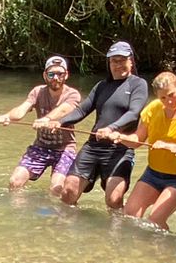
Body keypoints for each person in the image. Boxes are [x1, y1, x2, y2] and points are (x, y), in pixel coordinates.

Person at [48, 41, 148, 210]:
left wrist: (111, 128)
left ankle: (116, 232)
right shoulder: (101, 86)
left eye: (122, 60)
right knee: (68, 192)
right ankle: (67, 230)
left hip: (120, 148)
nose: (118, 65)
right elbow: (81, 110)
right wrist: (60, 121)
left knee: (114, 199)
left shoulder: (138, 85)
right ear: (109, 63)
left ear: (131, 61)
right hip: (93, 147)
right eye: (113, 61)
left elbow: (134, 113)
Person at [119, 71, 176, 226]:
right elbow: (137, 140)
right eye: (163, 98)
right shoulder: (153, 108)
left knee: (155, 221)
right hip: (154, 173)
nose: (169, 101)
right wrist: (119, 137)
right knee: (129, 216)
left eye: (171, 95)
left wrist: (170, 146)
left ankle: (164, 249)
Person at [0, 56, 83, 193]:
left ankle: (56, 213)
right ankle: (21, 212)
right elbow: (21, 110)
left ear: (66, 75)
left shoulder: (73, 94)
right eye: (51, 74)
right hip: (41, 146)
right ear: (45, 75)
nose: (55, 78)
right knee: (15, 182)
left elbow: (65, 109)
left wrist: (47, 119)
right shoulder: (38, 92)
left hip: (65, 149)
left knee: (57, 188)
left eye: (60, 74)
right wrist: (7, 116)